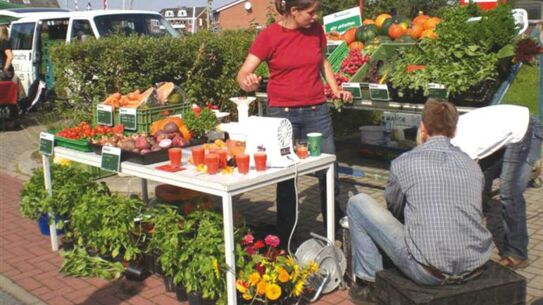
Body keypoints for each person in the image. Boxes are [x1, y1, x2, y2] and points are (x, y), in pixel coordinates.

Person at [347, 99, 492, 305]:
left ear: (422, 127)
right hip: (475, 266)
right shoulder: (472, 165)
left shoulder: (404, 162)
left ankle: (369, 285)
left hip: (429, 272)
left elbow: (394, 208)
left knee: (358, 203)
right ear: (454, 131)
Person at [236, 0, 352, 249]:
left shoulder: (316, 30)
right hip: (282, 116)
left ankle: (334, 230)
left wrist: (336, 89)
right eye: (311, 12)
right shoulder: (269, 36)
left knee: (328, 172)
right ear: (294, 11)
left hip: (316, 112)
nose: (315, 16)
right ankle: (286, 237)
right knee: (286, 178)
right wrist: (249, 82)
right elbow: (243, 73)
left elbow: (323, 62)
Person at [452, 104, 543, 269]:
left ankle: (517, 254)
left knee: (510, 193)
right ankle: (474, 221)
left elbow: (468, 179)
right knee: (483, 176)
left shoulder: (461, 145)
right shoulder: (446, 137)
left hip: (524, 128)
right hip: (505, 127)